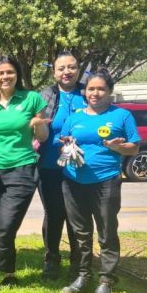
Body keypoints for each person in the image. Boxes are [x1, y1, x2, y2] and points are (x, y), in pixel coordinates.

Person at [58, 69, 140, 293]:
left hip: (106, 180)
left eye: (101, 88)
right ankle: (83, 277)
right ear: (85, 91)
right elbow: (62, 141)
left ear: (110, 91)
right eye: (91, 88)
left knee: (106, 232)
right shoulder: (74, 117)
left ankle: (106, 282)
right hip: (73, 181)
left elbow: (134, 147)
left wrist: (118, 148)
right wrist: (67, 145)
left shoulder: (121, 116)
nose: (95, 93)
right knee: (80, 233)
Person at [0, 55, 49, 293]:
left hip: (22, 169)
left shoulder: (32, 99)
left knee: (7, 225)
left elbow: (43, 137)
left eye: (10, 72)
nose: (5, 77)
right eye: (0, 73)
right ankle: (11, 272)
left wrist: (37, 124)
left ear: (17, 74)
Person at [37, 51, 86, 279]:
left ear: (78, 69)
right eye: (61, 68)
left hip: (79, 167)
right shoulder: (45, 96)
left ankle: (79, 262)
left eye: (72, 67)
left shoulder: (88, 93)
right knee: (54, 214)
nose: (67, 72)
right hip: (49, 167)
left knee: (77, 215)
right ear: (54, 71)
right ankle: (52, 259)